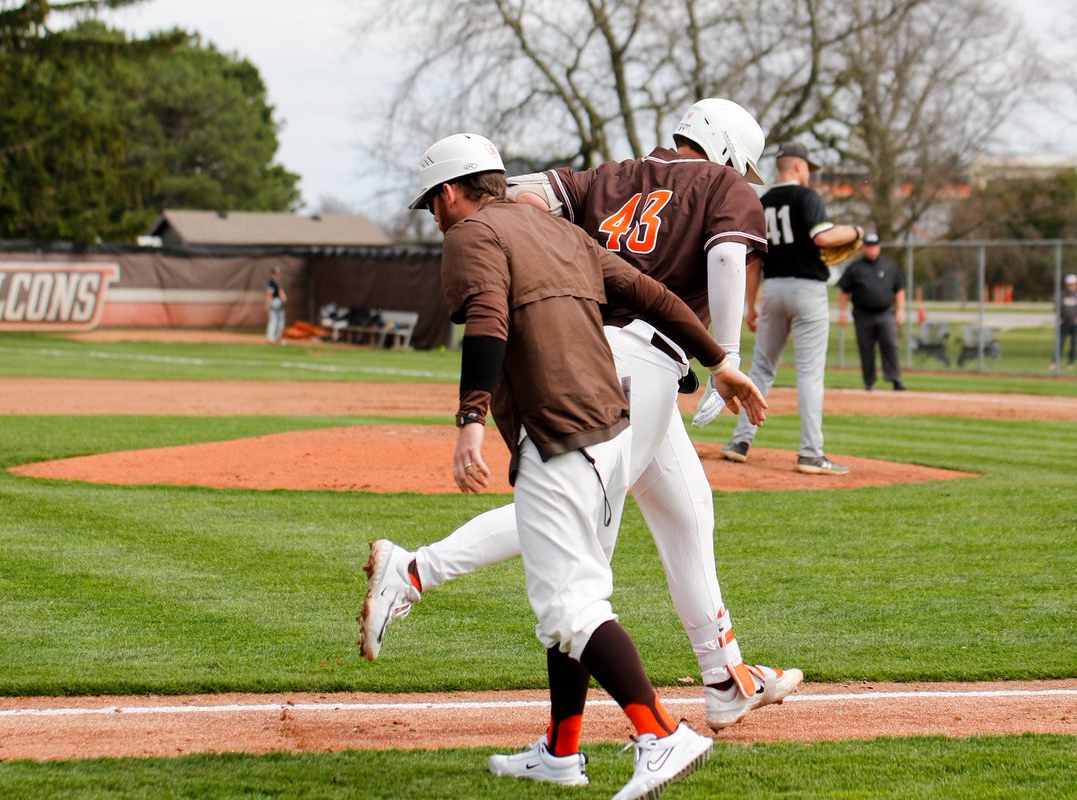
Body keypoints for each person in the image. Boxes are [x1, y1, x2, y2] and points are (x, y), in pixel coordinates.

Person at [360, 99, 804, 735]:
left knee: (687, 509)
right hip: (636, 366)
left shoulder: (607, 177)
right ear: (731, 150)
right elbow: (729, 258)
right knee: (573, 524)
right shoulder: (723, 182)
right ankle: (414, 572)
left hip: (595, 352)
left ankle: (723, 676)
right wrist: (727, 355)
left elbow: (511, 194)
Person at [719, 141, 862, 473]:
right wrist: (855, 231)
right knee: (809, 374)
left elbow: (753, 262)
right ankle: (811, 453)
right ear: (798, 166)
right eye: (808, 167)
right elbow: (823, 238)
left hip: (773, 289)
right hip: (808, 290)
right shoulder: (807, 197)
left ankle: (740, 441)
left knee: (762, 368)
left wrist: (750, 306)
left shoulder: (763, 201)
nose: (809, 174)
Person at [836, 232, 906, 391]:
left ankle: (895, 378)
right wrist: (842, 313)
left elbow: (899, 290)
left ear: (879, 247)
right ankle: (869, 381)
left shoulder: (890, 266)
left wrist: (900, 310)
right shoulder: (855, 268)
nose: (872, 249)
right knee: (866, 348)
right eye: (868, 246)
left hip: (885, 313)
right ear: (863, 248)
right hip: (862, 315)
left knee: (890, 344)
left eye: (874, 245)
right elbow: (844, 292)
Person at [1050, 273, 1077, 370]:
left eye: (1073, 284)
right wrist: (1059, 316)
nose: (1071, 286)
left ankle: (1071, 362)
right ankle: (1055, 362)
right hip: (1063, 323)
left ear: (1076, 284)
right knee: (1060, 343)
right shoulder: (1061, 295)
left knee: (1073, 344)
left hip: (1075, 323)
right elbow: (1056, 307)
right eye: (1069, 284)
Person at [265, 266, 287, 344]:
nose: (277, 275)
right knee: (277, 320)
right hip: (276, 302)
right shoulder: (272, 282)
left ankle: (274, 338)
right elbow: (269, 293)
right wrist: (267, 304)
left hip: (276, 302)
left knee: (277, 320)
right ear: (272, 274)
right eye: (275, 274)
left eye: (278, 274)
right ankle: (274, 338)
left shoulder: (275, 282)